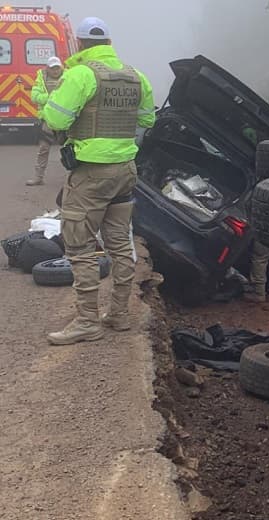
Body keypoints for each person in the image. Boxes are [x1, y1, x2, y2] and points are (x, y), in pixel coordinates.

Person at [42, 16, 155, 345]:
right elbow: (148, 118)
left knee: (80, 245)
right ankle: (118, 314)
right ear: (108, 43)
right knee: (119, 243)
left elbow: (54, 117)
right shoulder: (137, 77)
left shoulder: (81, 74)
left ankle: (87, 321)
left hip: (91, 173)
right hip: (125, 170)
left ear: (79, 44)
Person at [26, 56, 65, 186]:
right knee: (43, 149)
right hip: (47, 119)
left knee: (70, 150)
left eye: (57, 68)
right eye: (52, 68)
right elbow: (35, 97)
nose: (55, 71)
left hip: (65, 121)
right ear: (47, 69)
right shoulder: (41, 79)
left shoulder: (69, 77)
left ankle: (73, 180)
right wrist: (51, 96)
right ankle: (38, 177)